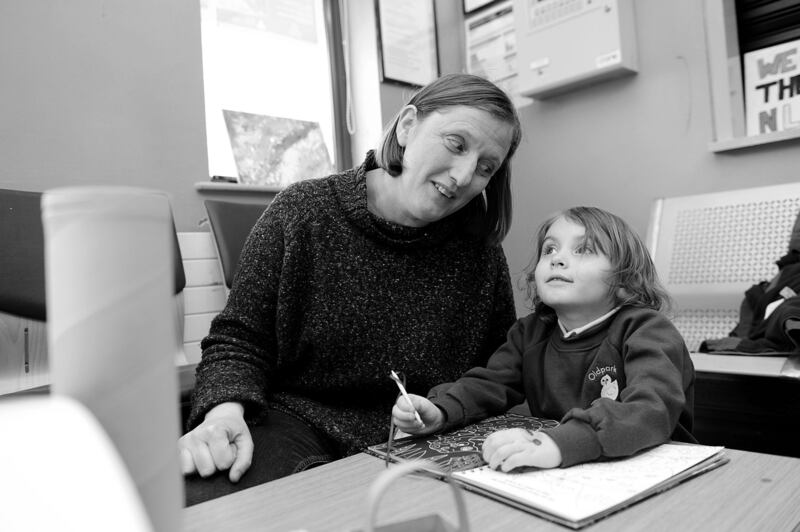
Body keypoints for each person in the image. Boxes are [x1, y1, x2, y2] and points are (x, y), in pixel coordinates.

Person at [178, 73, 523, 504]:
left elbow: (501, 369)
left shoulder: (480, 254)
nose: (463, 175)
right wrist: (224, 412)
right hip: (298, 422)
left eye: (486, 167)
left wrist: (448, 407)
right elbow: (239, 340)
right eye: (456, 144)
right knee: (209, 503)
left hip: (424, 440)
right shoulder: (302, 212)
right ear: (407, 125)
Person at [392, 206, 696, 471]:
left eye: (583, 250)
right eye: (550, 249)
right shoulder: (531, 331)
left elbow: (651, 408)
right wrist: (442, 409)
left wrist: (561, 444)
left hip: (651, 468)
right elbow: (489, 384)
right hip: (565, 467)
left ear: (626, 283)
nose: (557, 259)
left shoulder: (647, 329)